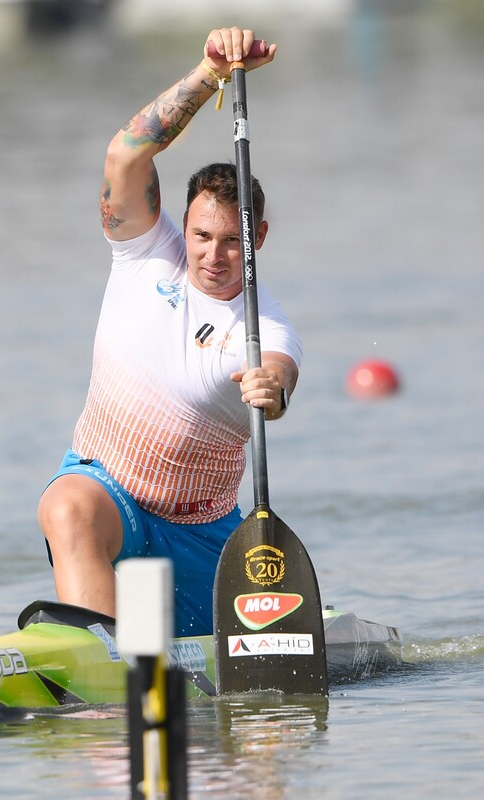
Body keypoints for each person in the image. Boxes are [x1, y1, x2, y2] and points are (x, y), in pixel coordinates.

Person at [38, 28, 299, 637]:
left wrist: (273, 389)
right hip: (111, 494)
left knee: (192, 682)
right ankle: (104, 670)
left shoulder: (266, 326)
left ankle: (152, 649)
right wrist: (209, 72)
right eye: (202, 236)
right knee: (65, 505)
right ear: (183, 225)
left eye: (233, 241)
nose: (213, 255)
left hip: (200, 532)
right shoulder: (145, 253)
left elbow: (282, 375)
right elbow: (127, 152)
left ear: (257, 241)